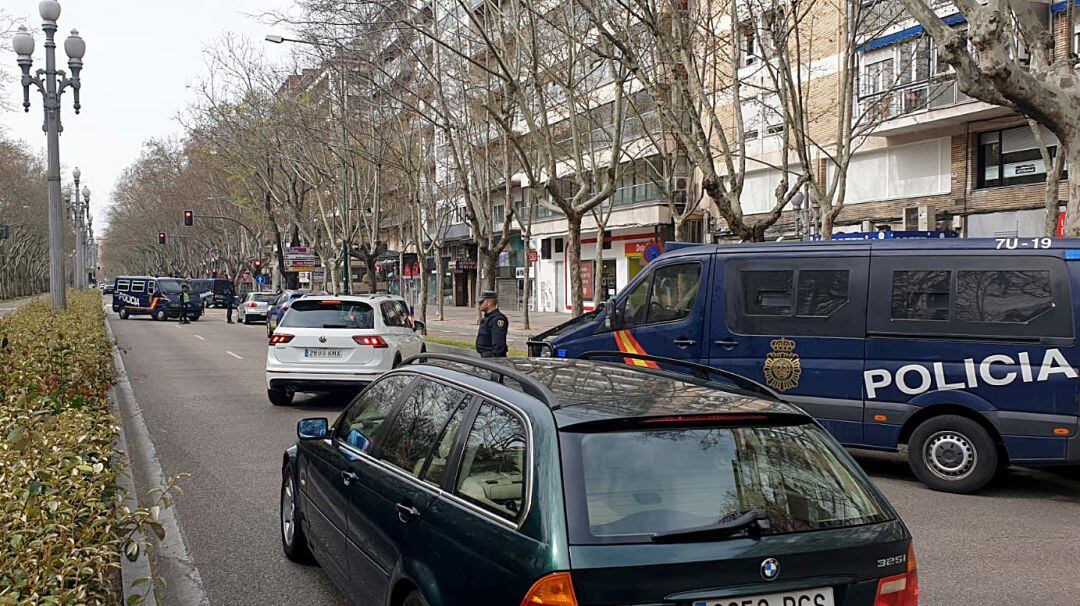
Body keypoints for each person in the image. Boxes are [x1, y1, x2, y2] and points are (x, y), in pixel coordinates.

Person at [475, 291, 509, 358]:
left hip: (492, 359)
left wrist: (493, 359)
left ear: (489, 302)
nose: (479, 305)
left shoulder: (497, 319)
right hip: (485, 356)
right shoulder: (488, 317)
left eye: (481, 302)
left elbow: (498, 345)